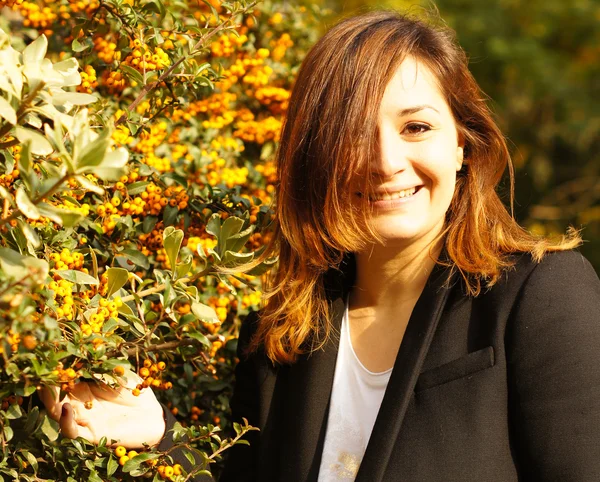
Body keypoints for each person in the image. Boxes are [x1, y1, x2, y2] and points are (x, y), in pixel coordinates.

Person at [42, 9, 600, 482]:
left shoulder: (542, 295)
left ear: (463, 144)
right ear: (315, 159)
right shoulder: (282, 334)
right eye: (351, 133)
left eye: (416, 128)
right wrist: (154, 441)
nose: (383, 162)